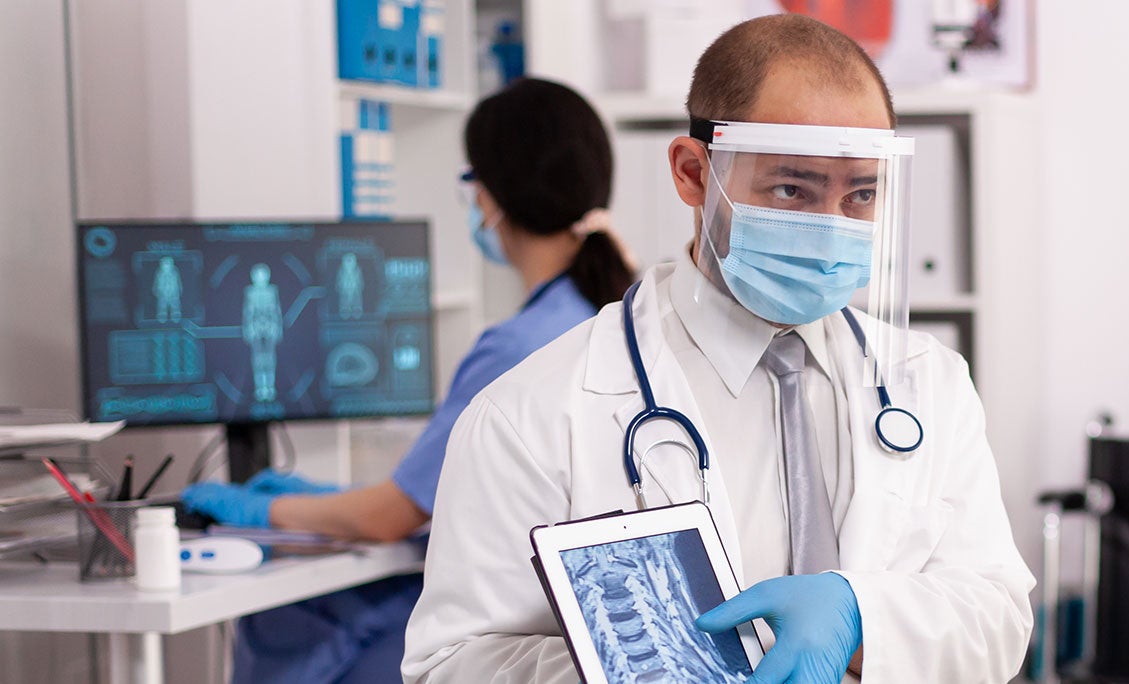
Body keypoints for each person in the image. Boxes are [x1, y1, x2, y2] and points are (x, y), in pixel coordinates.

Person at [402, 15, 1033, 684]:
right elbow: (452, 664)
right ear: (693, 173)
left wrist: (862, 615)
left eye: (861, 194)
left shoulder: (928, 383)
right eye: (792, 189)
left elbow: (998, 615)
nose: (830, 227)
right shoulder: (529, 415)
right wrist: (645, 670)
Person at [178, 78, 635, 683]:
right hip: (587, 620)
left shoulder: (516, 346)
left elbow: (388, 517)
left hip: (505, 632)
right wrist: (310, 499)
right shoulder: (613, 313)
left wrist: (258, 510)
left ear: (492, 194)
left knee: (287, 621)